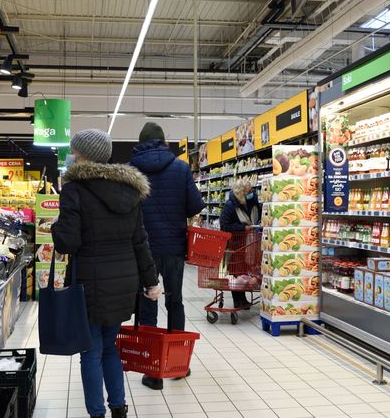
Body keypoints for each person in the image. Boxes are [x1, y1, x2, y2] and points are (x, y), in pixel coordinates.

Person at [52, 129, 162, 418]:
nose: (71, 155)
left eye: (74, 151)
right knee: (110, 347)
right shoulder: (130, 190)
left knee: (91, 351)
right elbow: (140, 241)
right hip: (124, 282)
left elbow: (67, 243)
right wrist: (151, 281)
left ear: (82, 155)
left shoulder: (74, 190)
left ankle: (97, 413)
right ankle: (118, 408)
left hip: (88, 283)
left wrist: (56, 226)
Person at [129, 122, 204, 390]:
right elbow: (195, 206)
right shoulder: (181, 168)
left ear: (140, 142)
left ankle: (152, 372)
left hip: (143, 249)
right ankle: (177, 365)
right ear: (163, 142)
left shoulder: (130, 170)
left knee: (147, 305)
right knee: (175, 302)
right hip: (173, 246)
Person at [219, 180, 260, 310]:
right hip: (235, 245)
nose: (251, 193)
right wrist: (242, 228)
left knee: (244, 273)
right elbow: (224, 226)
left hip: (249, 244)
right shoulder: (230, 206)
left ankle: (242, 299)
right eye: (249, 191)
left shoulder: (252, 203)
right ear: (241, 192)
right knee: (236, 273)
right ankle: (237, 300)